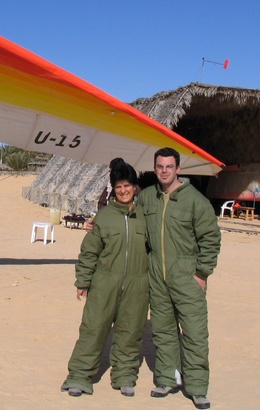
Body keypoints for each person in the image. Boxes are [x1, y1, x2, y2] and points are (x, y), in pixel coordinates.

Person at [137, 147, 221, 410]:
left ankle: (197, 388)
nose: (164, 171)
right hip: (157, 277)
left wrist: (201, 273)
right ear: (154, 168)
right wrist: (100, 222)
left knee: (195, 334)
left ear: (178, 169)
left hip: (187, 277)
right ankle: (166, 378)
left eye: (169, 166)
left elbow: (210, 238)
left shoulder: (195, 200)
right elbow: (128, 219)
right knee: (163, 332)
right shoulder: (148, 197)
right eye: (160, 166)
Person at [61, 161, 149, 397]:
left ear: (135, 187)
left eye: (127, 185)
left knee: (130, 330)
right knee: (93, 328)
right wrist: (83, 280)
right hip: (104, 283)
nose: (123, 190)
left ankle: (124, 375)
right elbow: (89, 252)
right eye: (119, 186)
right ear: (113, 188)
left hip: (137, 284)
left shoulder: (146, 217)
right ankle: (79, 376)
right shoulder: (104, 217)